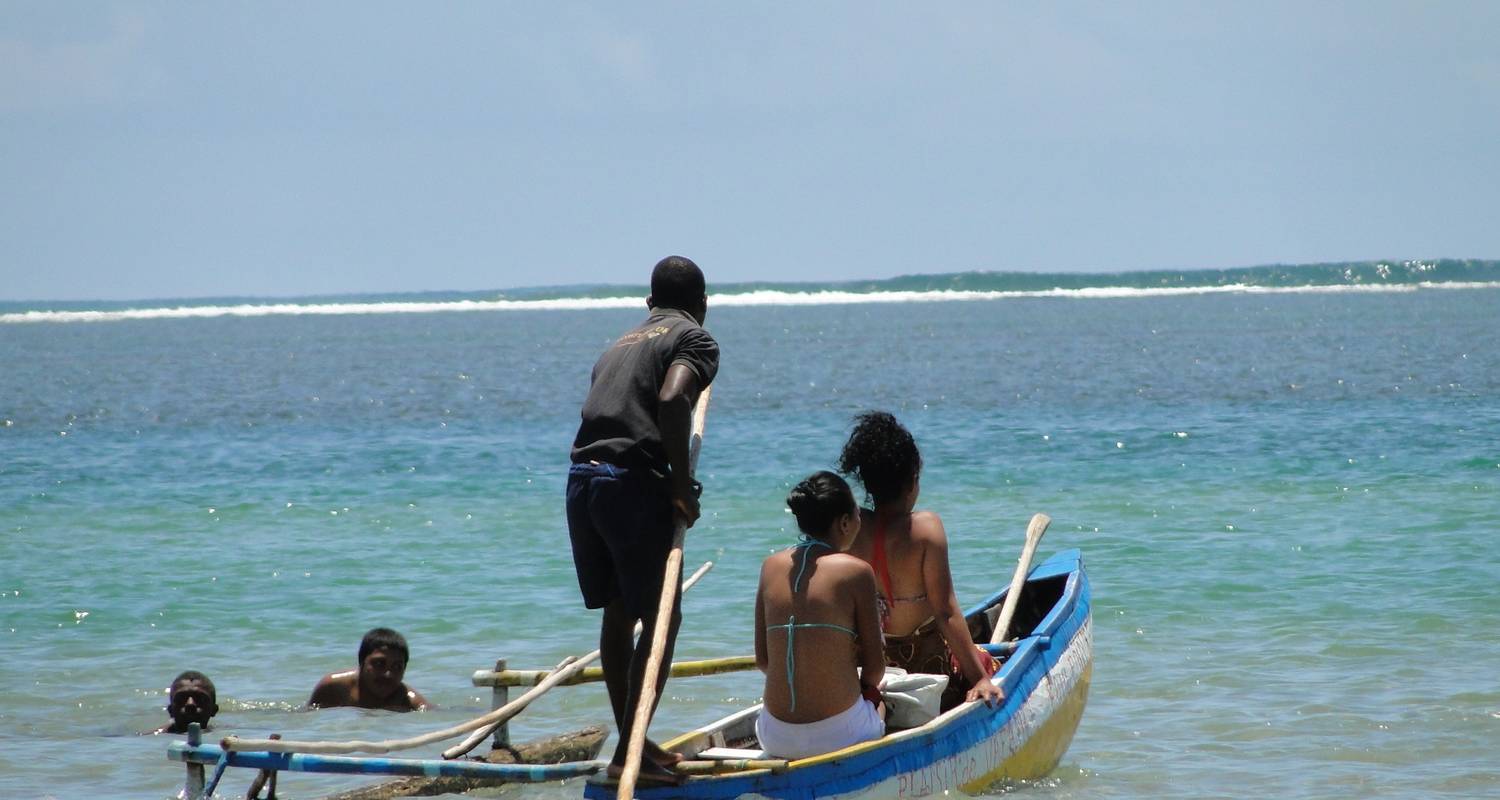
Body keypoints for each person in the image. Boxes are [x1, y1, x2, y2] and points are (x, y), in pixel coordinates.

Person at [566, 255, 719, 784]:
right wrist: (681, 485)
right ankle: (628, 754)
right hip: (630, 485)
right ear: (702, 304)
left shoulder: (618, 344)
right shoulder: (694, 339)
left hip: (583, 481)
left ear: (649, 303)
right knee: (661, 619)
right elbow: (674, 400)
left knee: (616, 613)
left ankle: (635, 746)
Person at [838, 411, 1004, 711]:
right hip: (928, 670)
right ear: (912, 480)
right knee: (990, 664)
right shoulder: (927, 528)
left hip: (871, 670)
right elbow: (945, 611)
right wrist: (980, 679)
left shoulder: (852, 524)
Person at [754, 471, 886, 759]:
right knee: (882, 698)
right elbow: (875, 671)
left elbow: (764, 661)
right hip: (840, 736)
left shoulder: (769, 566)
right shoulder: (857, 571)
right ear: (844, 522)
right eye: (857, 513)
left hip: (774, 736)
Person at [307, 627, 429, 711]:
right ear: (361, 662)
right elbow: (307, 717)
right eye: (379, 664)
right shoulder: (334, 688)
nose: (388, 674)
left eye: (397, 667)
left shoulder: (409, 702)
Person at [151, 670, 219, 734]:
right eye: (181, 698)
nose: (190, 704)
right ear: (170, 710)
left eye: (200, 698)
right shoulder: (153, 738)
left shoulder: (223, 736)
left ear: (214, 710)